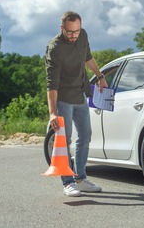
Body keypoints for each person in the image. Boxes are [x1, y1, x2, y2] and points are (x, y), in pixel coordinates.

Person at [44, 11, 108, 197]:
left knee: (86, 135)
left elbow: (88, 57)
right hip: (63, 97)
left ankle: (80, 178)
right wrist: (53, 113)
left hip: (80, 94)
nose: (74, 35)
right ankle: (68, 182)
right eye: (70, 32)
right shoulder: (55, 48)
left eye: (77, 31)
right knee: (65, 139)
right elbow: (51, 84)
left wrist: (100, 76)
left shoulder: (83, 35)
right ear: (62, 28)